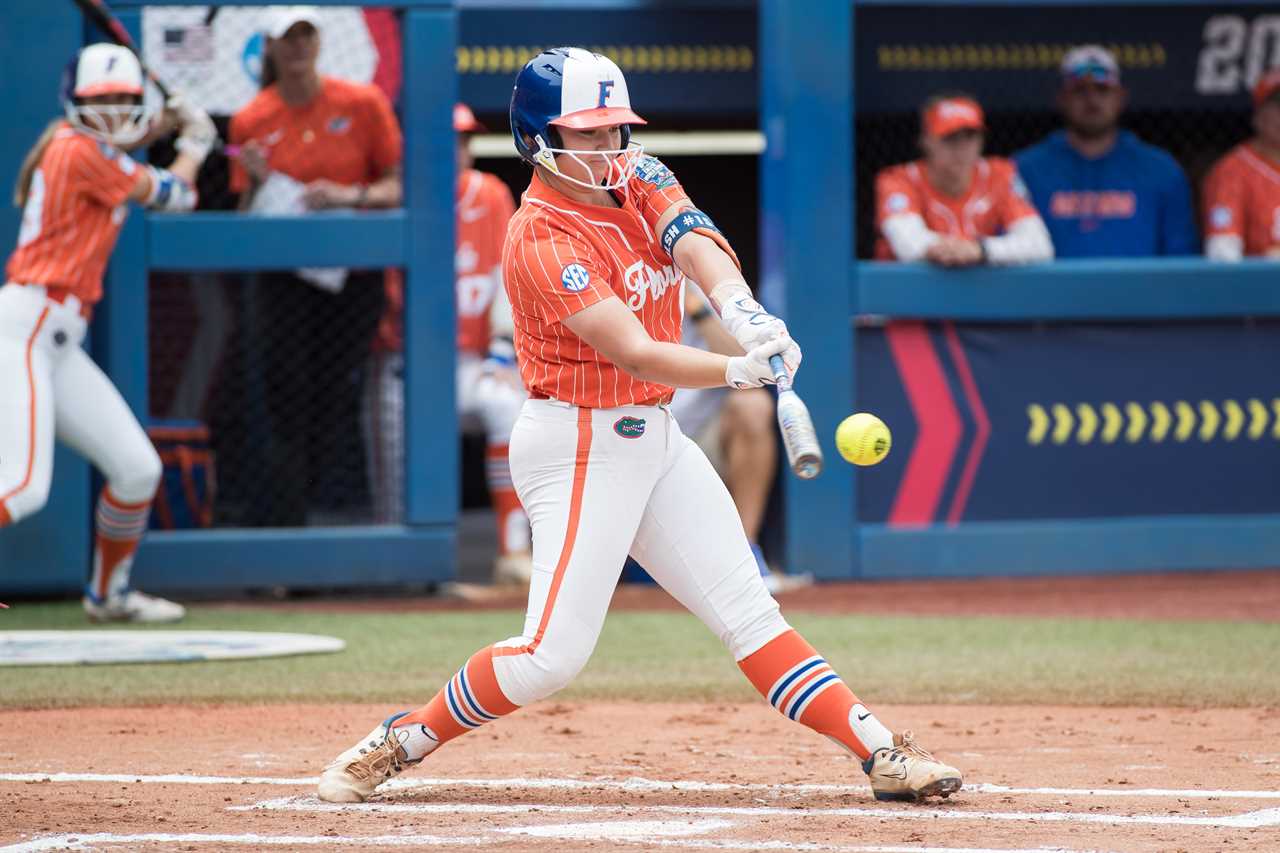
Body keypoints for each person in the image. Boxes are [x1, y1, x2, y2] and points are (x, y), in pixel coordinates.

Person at [316, 47, 961, 806]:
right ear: (537, 138)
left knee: (750, 610)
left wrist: (744, 313)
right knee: (550, 657)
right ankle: (402, 738)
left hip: (651, 436)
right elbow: (634, 349)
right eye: (587, 134)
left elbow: (695, 241)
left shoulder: (640, 172)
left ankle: (879, 749)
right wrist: (735, 370)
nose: (607, 148)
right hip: (577, 442)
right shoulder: (538, 237)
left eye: (614, 130)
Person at [0, 44, 217, 621]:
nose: (114, 111)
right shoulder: (76, 149)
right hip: (23, 326)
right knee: (21, 489)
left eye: (124, 100)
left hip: (60, 337)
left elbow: (123, 150)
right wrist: (193, 144)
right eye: (102, 101)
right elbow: (175, 195)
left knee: (137, 469)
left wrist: (167, 124)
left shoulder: (89, 150)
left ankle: (108, 595)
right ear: (75, 104)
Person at [227, 5, 402, 525]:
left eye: (307, 35)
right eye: (288, 38)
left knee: (330, 397)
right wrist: (255, 181)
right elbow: (241, 217)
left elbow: (397, 186)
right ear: (271, 47)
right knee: (284, 399)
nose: (299, 46)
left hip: (351, 278)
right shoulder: (251, 118)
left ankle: (310, 523)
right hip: (284, 281)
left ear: (320, 42)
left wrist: (347, 196)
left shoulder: (362, 103)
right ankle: (281, 529)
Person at [366, 103, 531, 583]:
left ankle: (513, 551)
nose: (456, 152)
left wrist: (504, 348)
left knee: (510, 408)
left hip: (471, 361)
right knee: (394, 467)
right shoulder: (395, 198)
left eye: (462, 142)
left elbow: (509, 276)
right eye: (445, 142)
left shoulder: (492, 193)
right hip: (404, 363)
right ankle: (396, 566)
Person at [667, 287, 811, 593]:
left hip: (697, 436)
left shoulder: (697, 271)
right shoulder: (608, 274)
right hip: (628, 431)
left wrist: (697, 308)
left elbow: (748, 362)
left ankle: (744, 558)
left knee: (752, 406)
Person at [1015, 45, 1198, 258]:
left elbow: (1182, 259)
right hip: (1051, 292)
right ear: (1062, 100)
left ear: (1120, 98)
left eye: (1102, 89)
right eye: (1080, 90)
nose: (1092, 100)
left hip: (1138, 292)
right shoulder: (1024, 170)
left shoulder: (1162, 170)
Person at [873, 93, 1053, 266]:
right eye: (950, 138)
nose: (961, 148)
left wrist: (981, 250)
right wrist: (970, 251)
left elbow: (1040, 245)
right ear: (925, 141)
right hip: (905, 293)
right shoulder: (898, 180)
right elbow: (909, 244)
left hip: (973, 293)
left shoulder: (1000, 174)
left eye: (970, 136)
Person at [1203, 68, 1280, 260]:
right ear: (1258, 115)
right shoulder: (1232, 172)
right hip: (1261, 286)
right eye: (1278, 104)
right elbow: (1222, 254)